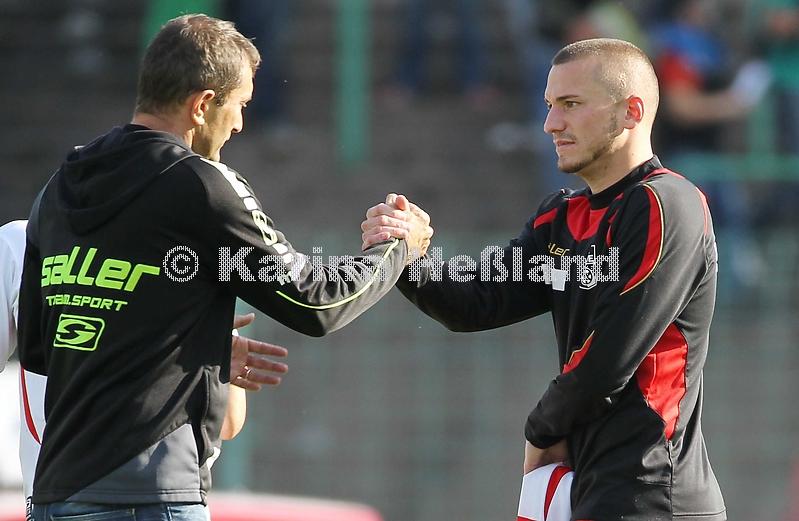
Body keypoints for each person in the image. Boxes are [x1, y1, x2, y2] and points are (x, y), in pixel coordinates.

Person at [17, 14, 432, 521]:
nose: (238, 125)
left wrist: (180, 350)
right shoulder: (200, 184)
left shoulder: (59, 187)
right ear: (202, 105)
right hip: (150, 493)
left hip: (57, 495)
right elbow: (316, 301)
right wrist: (396, 247)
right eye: (240, 105)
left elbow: (42, 346)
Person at [362, 38, 725, 520]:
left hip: (658, 496)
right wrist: (404, 251)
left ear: (632, 112)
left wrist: (541, 427)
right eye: (550, 105)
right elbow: (474, 301)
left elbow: (608, 358)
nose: (551, 123)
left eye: (571, 105)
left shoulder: (665, 204)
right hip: (592, 492)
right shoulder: (562, 217)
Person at [0, 220, 289, 519]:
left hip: (133, 497)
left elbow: (228, 423)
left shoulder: (193, 245)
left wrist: (210, 358)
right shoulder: (21, 241)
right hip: (150, 497)